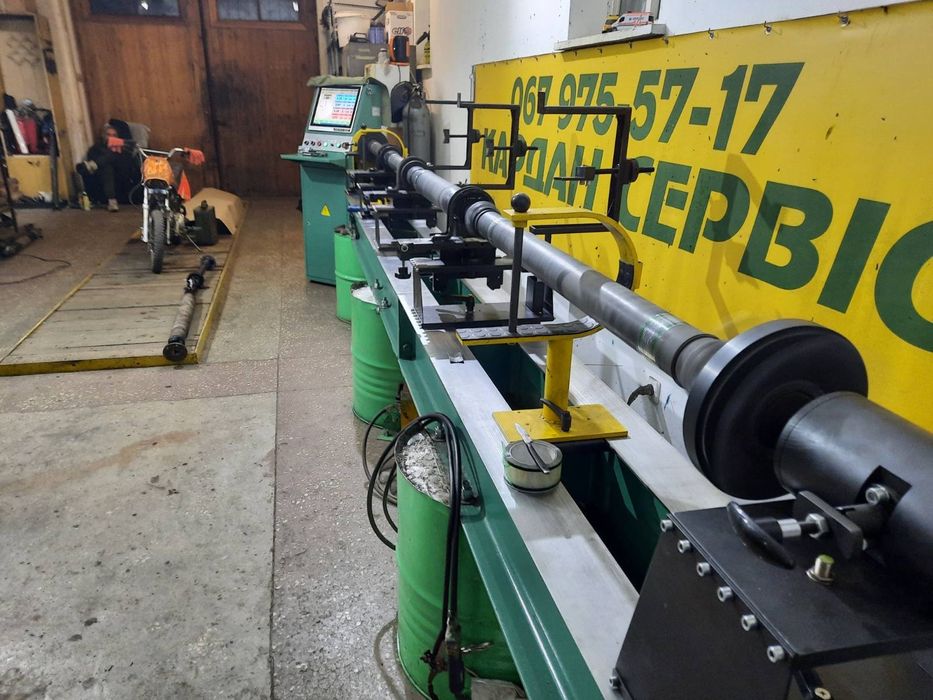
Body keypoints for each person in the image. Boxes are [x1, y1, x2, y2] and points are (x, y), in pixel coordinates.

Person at [76, 120, 140, 212]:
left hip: (121, 177)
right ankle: (111, 200)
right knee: (107, 167)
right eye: (108, 135)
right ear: (104, 136)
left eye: (114, 135)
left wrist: (116, 152)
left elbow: (128, 165)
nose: (111, 137)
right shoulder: (96, 148)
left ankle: (93, 165)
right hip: (102, 178)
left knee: (112, 157)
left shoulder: (124, 148)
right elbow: (92, 158)